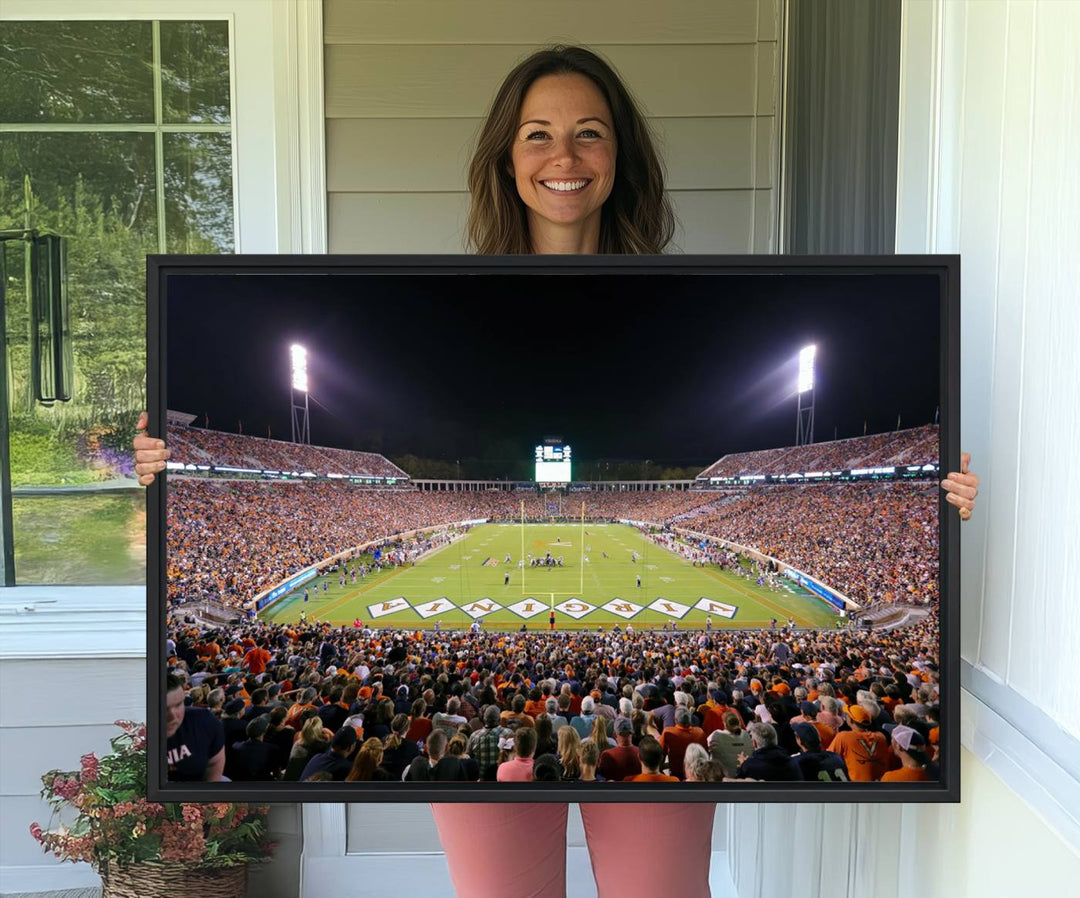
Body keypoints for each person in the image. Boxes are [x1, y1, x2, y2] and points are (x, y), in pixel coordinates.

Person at [135, 42, 980, 898]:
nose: (564, 157)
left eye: (590, 133)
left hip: (617, 750)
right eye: (537, 134)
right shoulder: (454, 291)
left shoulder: (678, 291)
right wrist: (159, 475)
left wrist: (944, 501)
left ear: (622, 157)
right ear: (506, 157)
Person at [166, 674, 225, 781]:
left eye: (178, 704)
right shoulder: (132, 734)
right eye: (162, 709)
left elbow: (214, 764)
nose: (172, 716)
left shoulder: (204, 721)